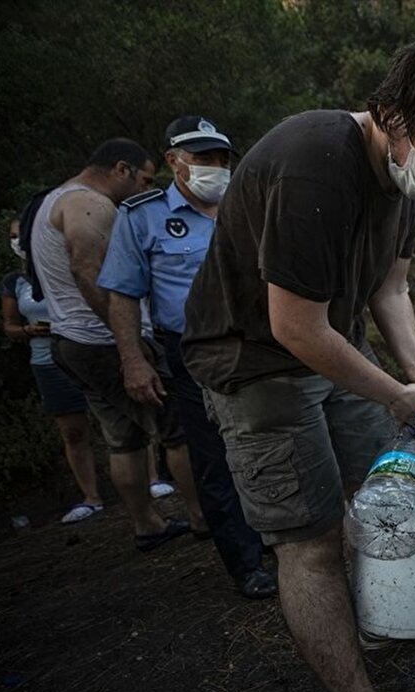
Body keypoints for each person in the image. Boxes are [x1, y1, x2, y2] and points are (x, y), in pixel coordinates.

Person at [181, 37, 415, 692]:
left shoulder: (406, 182)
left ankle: (373, 622)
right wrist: (392, 393)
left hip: (333, 346)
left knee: (385, 483)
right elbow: (293, 326)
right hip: (254, 361)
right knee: (311, 541)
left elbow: (389, 291)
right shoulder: (315, 162)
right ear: (392, 112)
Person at [96, 116, 277, 600]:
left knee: (269, 443)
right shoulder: (143, 216)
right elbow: (123, 294)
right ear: (173, 161)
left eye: (221, 158)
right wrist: (133, 360)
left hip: (261, 344)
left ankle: (276, 537)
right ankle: (246, 563)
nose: (215, 167)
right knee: (214, 455)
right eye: (202, 158)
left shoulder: (248, 203)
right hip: (195, 350)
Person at [31, 138, 206, 552]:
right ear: (121, 169)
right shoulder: (89, 204)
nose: (145, 188)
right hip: (102, 340)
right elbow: (86, 270)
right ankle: (203, 516)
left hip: (72, 339)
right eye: (143, 179)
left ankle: (147, 524)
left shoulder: (55, 199)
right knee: (177, 429)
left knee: (123, 436)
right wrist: (129, 346)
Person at [0, 219, 104, 524]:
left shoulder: (66, 263)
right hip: (46, 360)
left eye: (21, 234)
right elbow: (9, 326)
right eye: (12, 236)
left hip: (88, 351)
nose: (17, 241)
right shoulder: (14, 281)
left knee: (119, 418)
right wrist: (26, 331)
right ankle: (91, 497)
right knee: (73, 431)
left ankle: (148, 481)